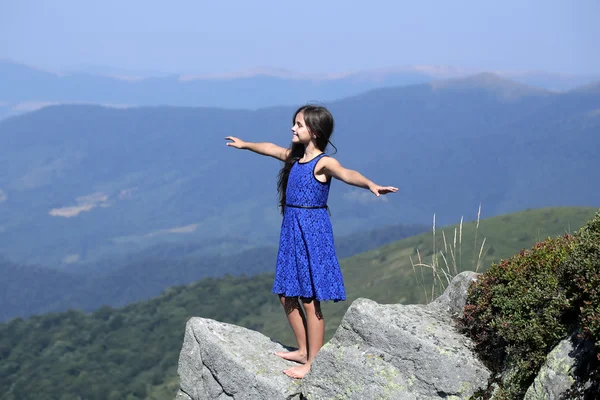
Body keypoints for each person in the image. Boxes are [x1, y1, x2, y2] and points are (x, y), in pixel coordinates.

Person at [225, 104, 398, 379]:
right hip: (292, 229)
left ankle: (313, 363)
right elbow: (270, 148)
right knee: (286, 293)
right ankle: (304, 350)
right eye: (294, 123)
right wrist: (245, 145)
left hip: (312, 233)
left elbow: (348, 173)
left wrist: (370, 185)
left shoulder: (323, 163)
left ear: (315, 132)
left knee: (309, 299)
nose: (293, 128)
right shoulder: (294, 158)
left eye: (299, 125)